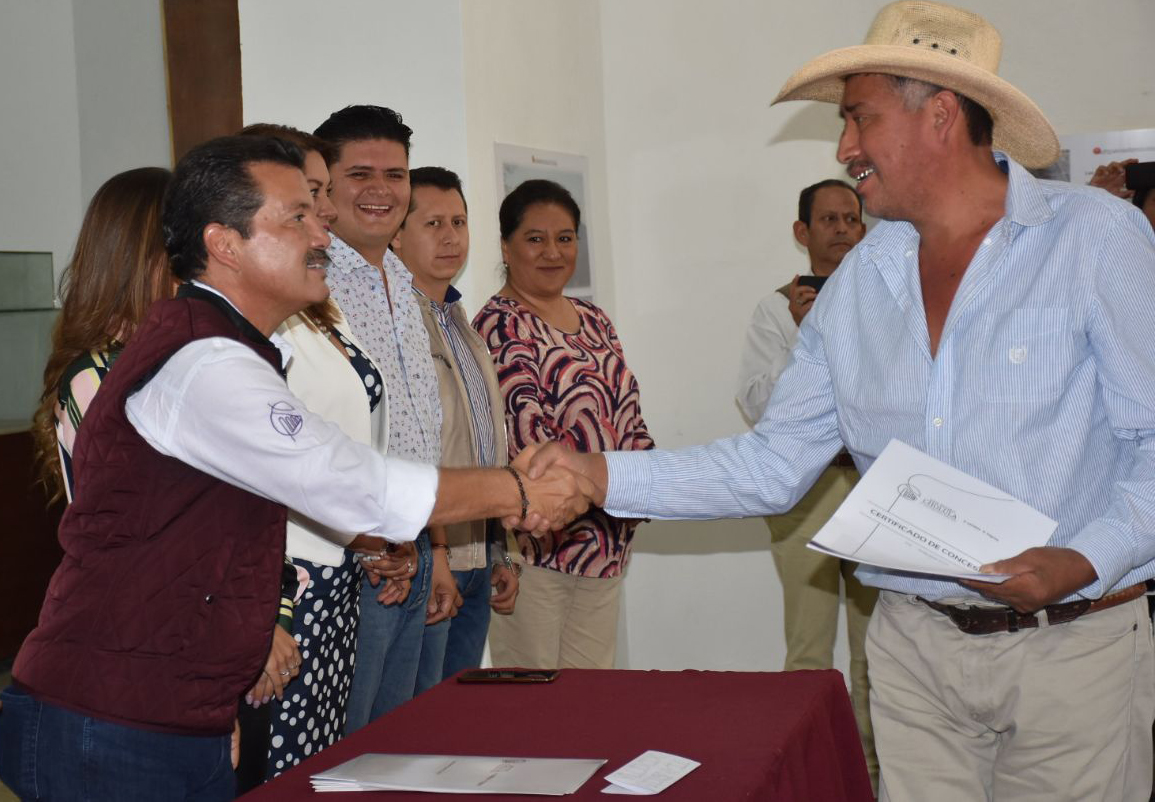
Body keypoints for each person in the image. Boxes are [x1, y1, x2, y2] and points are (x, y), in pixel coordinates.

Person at [525, 2, 1155, 799]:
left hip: (1075, 650)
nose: (843, 148)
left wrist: (1080, 560)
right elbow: (772, 463)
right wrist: (594, 477)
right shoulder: (861, 280)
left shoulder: (1095, 239)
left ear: (939, 113)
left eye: (859, 117)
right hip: (913, 650)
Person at [0, 134, 590, 800]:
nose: (322, 231)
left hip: (169, 714)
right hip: (109, 723)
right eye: (298, 217)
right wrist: (516, 488)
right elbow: (350, 485)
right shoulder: (203, 364)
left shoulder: (227, 347)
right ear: (224, 244)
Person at [236, 123, 392, 780]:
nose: (322, 215)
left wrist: (378, 530)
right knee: (282, 763)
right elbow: (279, 469)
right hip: (290, 579)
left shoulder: (318, 306)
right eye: (305, 202)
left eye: (320, 196)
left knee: (323, 760)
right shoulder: (248, 334)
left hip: (338, 562)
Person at [313, 105, 460, 729]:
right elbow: (321, 432)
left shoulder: (403, 279)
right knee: (348, 743)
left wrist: (436, 548)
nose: (380, 190)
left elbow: (422, 426)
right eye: (360, 174)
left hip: (414, 548)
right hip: (360, 555)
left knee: (402, 737)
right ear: (325, 184)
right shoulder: (314, 286)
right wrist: (377, 545)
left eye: (395, 175)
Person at [474, 179, 653, 670]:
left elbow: (628, 413)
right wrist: (591, 493)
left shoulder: (594, 319)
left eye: (565, 237)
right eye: (535, 239)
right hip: (538, 547)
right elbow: (523, 432)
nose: (553, 252)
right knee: (535, 707)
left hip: (606, 541)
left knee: (591, 703)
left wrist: (642, 488)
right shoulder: (499, 324)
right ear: (506, 247)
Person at [735, 178, 876, 784]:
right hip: (809, 492)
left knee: (881, 653)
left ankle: (874, 778)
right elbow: (757, 404)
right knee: (809, 651)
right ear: (803, 233)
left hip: (877, 489)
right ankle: (815, 781)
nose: (842, 228)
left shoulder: (888, 299)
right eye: (828, 220)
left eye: (851, 218)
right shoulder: (775, 308)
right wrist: (802, 333)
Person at [394, 166, 521, 690]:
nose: (451, 237)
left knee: (462, 711)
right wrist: (439, 555)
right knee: (420, 713)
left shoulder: (460, 322)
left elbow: (489, 445)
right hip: (433, 555)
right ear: (397, 235)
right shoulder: (400, 323)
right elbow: (410, 452)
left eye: (460, 221)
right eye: (433, 224)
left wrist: (503, 547)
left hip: (479, 549)